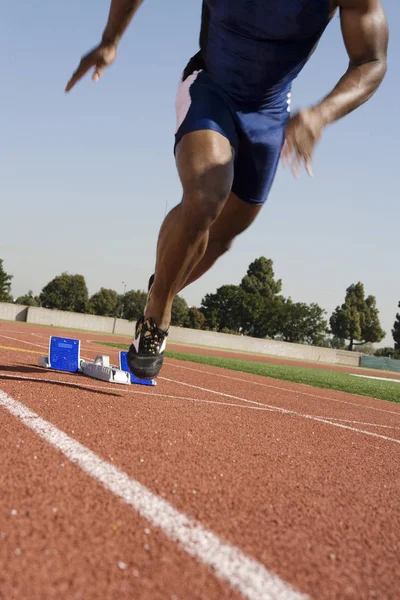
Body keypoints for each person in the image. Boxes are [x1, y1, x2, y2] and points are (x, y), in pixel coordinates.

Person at [66, 0, 388, 380]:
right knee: (206, 197)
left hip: (269, 114)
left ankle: (162, 286)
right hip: (210, 86)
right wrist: (110, 39)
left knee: (221, 238)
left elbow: (371, 61)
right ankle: (157, 315)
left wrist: (322, 113)